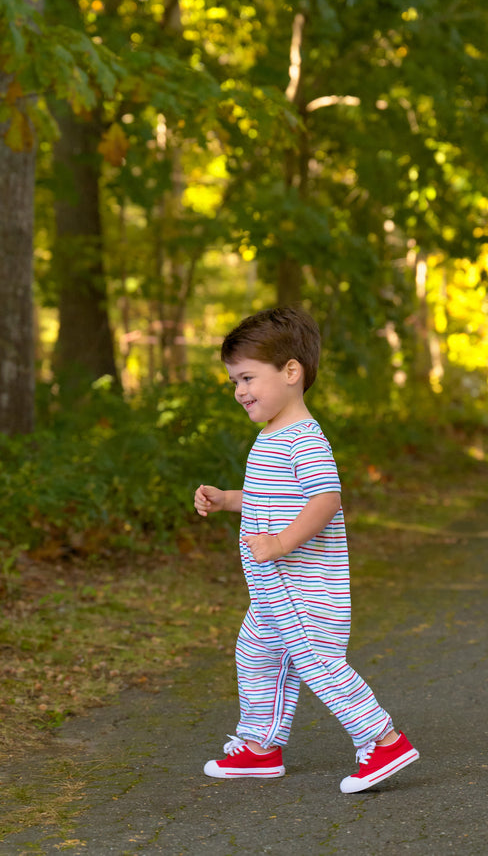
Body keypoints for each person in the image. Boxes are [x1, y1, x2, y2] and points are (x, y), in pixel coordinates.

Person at [194, 306, 419, 793]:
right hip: (271, 590)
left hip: (303, 587)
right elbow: (272, 498)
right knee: (256, 654)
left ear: (291, 372)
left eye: (248, 378)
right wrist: (228, 499)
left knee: (318, 663)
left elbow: (325, 501)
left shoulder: (305, 440)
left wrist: (279, 543)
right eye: (234, 381)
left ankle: (384, 741)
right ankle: (260, 747)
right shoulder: (271, 437)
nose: (239, 391)